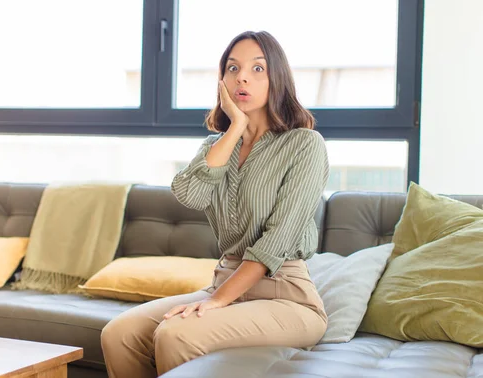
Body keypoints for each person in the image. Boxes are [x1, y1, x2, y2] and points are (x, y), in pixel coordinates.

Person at [101, 30, 329, 378]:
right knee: (118, 335)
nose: (242, 77)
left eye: (258, 69)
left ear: (277, 79)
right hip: (223, 284)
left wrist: (218, 300)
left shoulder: (304, 144)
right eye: (233, 68)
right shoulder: (217, 145)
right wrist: (235, 128)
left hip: (286, 297)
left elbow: (276, 242)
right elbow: (189, 194)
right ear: (222, 80)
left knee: (176, 335)